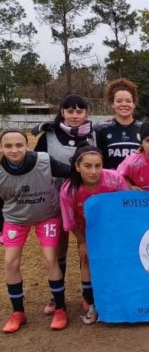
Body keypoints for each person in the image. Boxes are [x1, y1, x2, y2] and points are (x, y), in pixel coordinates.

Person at [0, 130, 71, 332]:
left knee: (50, 259)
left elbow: (72, 171)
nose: (14, 150)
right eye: (8, 146)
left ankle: (60, 308)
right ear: (1, 148)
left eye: (19, 145)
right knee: (10, 262)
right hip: (15, 219)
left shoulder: (44, 161)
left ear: (27, 146)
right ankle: (18, 312)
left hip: (47, 216)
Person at [33, 93, 95, 316]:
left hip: (86, 201)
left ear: (86, 113)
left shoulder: (95, 135)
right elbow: (37, 165)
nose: (75, 115)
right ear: (62, 112)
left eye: (80, 111)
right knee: (60, 247)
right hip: (55, 198)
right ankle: (56, 296)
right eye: (70, 111)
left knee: (85, 247)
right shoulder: (48, 135)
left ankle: (88, 295)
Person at [60, 143, 129, 324]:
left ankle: (116, 299)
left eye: (98, 166)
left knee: (115, 262)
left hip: (112, 229)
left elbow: (126, 205)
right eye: (87, 166)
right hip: (85, 231)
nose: (93, 171)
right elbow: (71, 222)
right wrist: (83, 242)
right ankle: (91, 303)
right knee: (87, 260)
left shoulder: (114, 179)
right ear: (77, 166)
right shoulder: (69, 190)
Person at [93, 78, 142, 169]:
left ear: (134, 103)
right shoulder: (100, 130)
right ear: (112, 103)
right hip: (110, 181)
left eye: (128, 101)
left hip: (137, 182)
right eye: (119, 101)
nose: (124, 104)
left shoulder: (144, 129)